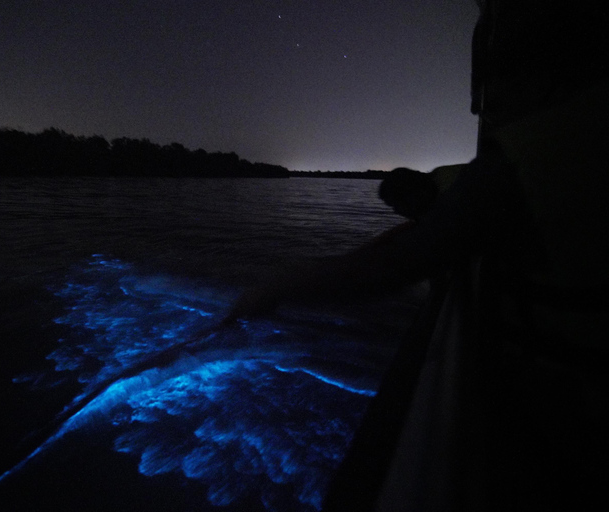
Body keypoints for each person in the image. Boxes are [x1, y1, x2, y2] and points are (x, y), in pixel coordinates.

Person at [225, 1, 608, 510]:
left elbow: (397, 263)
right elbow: (424, 232)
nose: (484, 110)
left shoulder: (528, 157)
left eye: (492, 88)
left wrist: (272, 290)